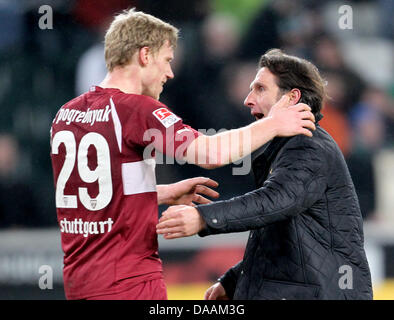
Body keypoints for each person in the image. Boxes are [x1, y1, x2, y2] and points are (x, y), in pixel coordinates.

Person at [50, 9, 315, 300]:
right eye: (166, 60)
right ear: (145, 55)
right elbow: (210, 152)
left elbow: (94, 197)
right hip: (129, 284)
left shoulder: (67, 113)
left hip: (80, 283)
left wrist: (161, 193)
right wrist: (273, 124)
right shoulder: (137, 109)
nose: (170, 73)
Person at [157, 49, 373, 300]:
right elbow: (280, 234)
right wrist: (235, 279)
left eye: (260, 89)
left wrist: (203, 217)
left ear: (292, 98)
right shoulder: (286, 148)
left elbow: (273, 201)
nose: (248, 100)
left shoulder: (309, 145)